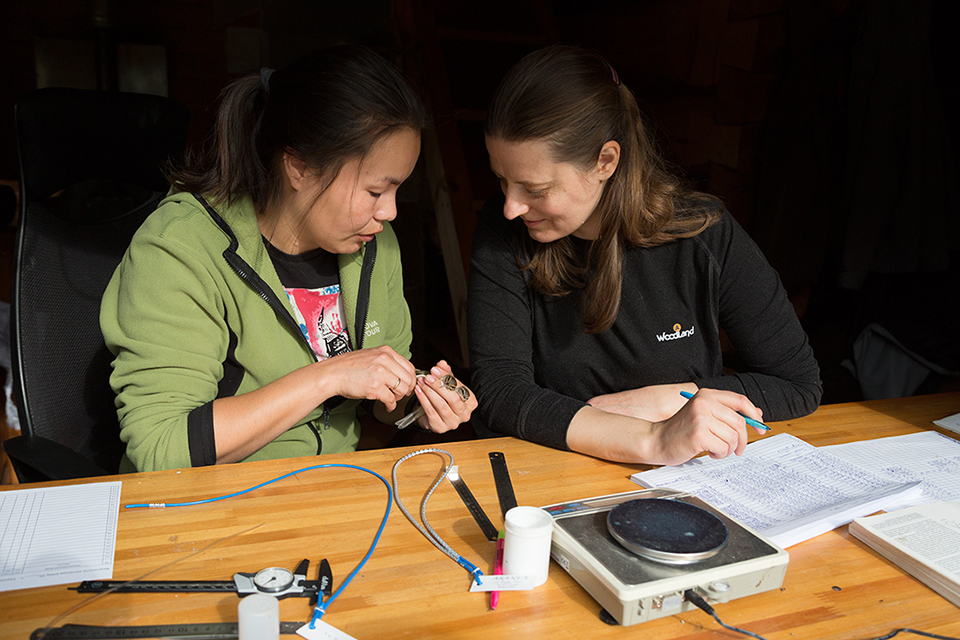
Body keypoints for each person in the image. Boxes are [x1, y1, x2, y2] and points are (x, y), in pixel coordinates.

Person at [101, 44, 476, 473]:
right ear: (298, 167)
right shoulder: (179, 248)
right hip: (201, 507)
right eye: (375, 191)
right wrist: (329, 376)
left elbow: (382, 404)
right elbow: (159, 447)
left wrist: (422, 401)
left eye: (397, 189)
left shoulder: (374, 243)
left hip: (327, 490)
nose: (389, 212)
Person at [468, 45, 821, 465]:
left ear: (605, 161)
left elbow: (798, 384)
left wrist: (665, 401)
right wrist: (652, 438)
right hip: (556, 472)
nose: (511, 206)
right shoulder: (503, 229)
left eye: (536, 190)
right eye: (501, 180)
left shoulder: (704, 235)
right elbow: (500, 391)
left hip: (686, 479)